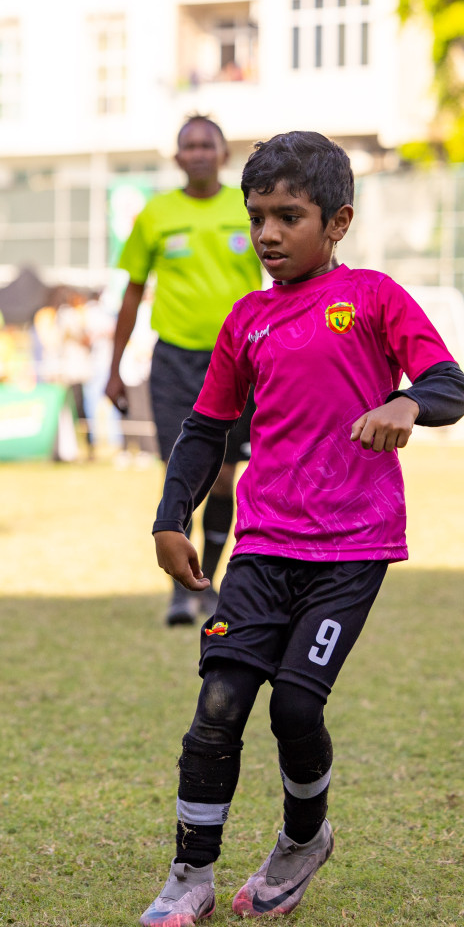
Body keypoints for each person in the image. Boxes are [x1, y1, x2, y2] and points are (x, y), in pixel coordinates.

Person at [137, 133, 464, 927]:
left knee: (294, 706)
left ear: (338, 221)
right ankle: (191, 874)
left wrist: (405, 405)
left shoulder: (376, 297)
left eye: (290, 216)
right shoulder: (246, 319)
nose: (268, 234)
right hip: (259, 545)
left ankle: (302, 838)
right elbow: (206, 427)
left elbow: (449, 383)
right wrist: (168, 519)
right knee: (219, 700)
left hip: (352, 549)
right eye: (258, 216)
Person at [109, 116, 264, 626]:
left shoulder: (251, 212)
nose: (198, 153)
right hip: (174, 361)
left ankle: (209, 583)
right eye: (188, 146)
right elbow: (132, 292)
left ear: (223, 153)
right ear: (177, 158)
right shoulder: (156, 214)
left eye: (207, 145)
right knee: (180, 476)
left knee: (223, 477)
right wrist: (113, 368)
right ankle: (179, 591)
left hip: (239, 362)